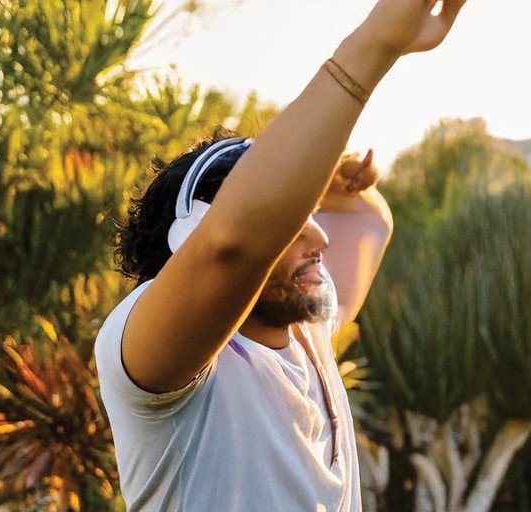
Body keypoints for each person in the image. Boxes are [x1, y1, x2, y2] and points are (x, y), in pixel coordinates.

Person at [93, 1, 466, 510]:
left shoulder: (306, 331)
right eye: (289, 225)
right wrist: (374, 45)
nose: (319, 238)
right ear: (191, 237)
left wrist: (323, 184)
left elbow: (367, 219)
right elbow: (236, 247)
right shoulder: (151, 361)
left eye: (309, 215)